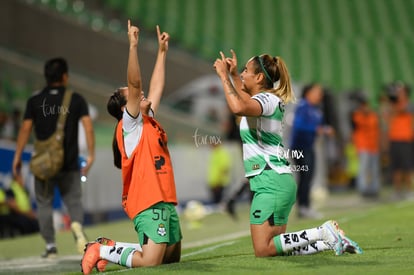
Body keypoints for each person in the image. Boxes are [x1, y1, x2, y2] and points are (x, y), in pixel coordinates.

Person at [213, 50, 362, 257]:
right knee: (273, 247)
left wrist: (223, 77)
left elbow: (238, 106)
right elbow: (245, 100)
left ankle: (322, 232)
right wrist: (234, 76)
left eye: (246, 70)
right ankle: (328, 241)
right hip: (274, 180)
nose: (242, 73)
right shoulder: (265, 100)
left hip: (270, 181)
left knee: (263, 249)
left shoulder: (267, 100)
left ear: (259, 77)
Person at [81, 21, 182, 274]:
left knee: (171, 259)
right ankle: (100, 250)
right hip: (148, 200)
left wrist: (161, 53)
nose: (143, 93)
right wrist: (133, 46)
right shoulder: (130, 124)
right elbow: (136, 84)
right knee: (150, 261)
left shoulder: (148, 120)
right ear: (127, 109)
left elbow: (156, 87)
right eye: (135, 96)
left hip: (164, 199)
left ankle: (109, 246)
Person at [12, 57, 95, 258]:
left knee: (44, 203)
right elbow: (88, 126)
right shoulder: (76, 99)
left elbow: (25, 129)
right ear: (65, 76)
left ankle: (50, 245)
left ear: (46, 77)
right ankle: (78, 232)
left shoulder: (34, 101)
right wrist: (91, 155)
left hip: (44, 164)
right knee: (74, 201)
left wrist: (17, 156)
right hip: (69, 163)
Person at [290, 83, 333, 219]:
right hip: (300, 147)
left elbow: (318, 124)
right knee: (305, 176)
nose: (319, 95)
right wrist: (319, 129)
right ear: (308, 92)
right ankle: (303, 206)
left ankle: (304, 206)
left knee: (308, 177)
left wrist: (323, 128)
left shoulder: (316, 108)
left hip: (309, 146)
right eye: (317, 92)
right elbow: (298, 125)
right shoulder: (303, 106)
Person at [350, 96, 381, 198]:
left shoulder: (373, 115)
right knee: (363, 168)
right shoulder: (357, 115)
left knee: (374, 169)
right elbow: (358, 125)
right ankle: (363, 189)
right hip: (363, 145)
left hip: (374, 145)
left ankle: (374, 188)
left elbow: (376, 127)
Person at [207, 142, 232, 207]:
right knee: (216, 205)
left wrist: (218, 182)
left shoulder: (221, 153)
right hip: (214, 183)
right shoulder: (215, 153)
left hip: (219, 184)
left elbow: (224, 169)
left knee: (219, 205)